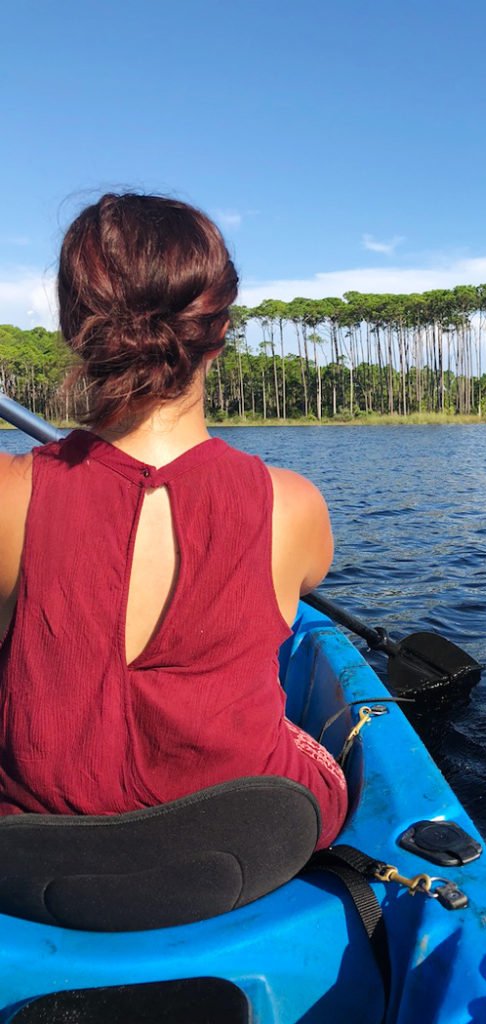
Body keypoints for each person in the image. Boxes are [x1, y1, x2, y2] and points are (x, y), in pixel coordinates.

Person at [0, 193, 347, 849]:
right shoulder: (295, 505)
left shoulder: (8, 493)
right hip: (244, 842)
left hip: (38, 845)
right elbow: (300, 586)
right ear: (219, 331)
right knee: (302, 735)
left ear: (77, 329)